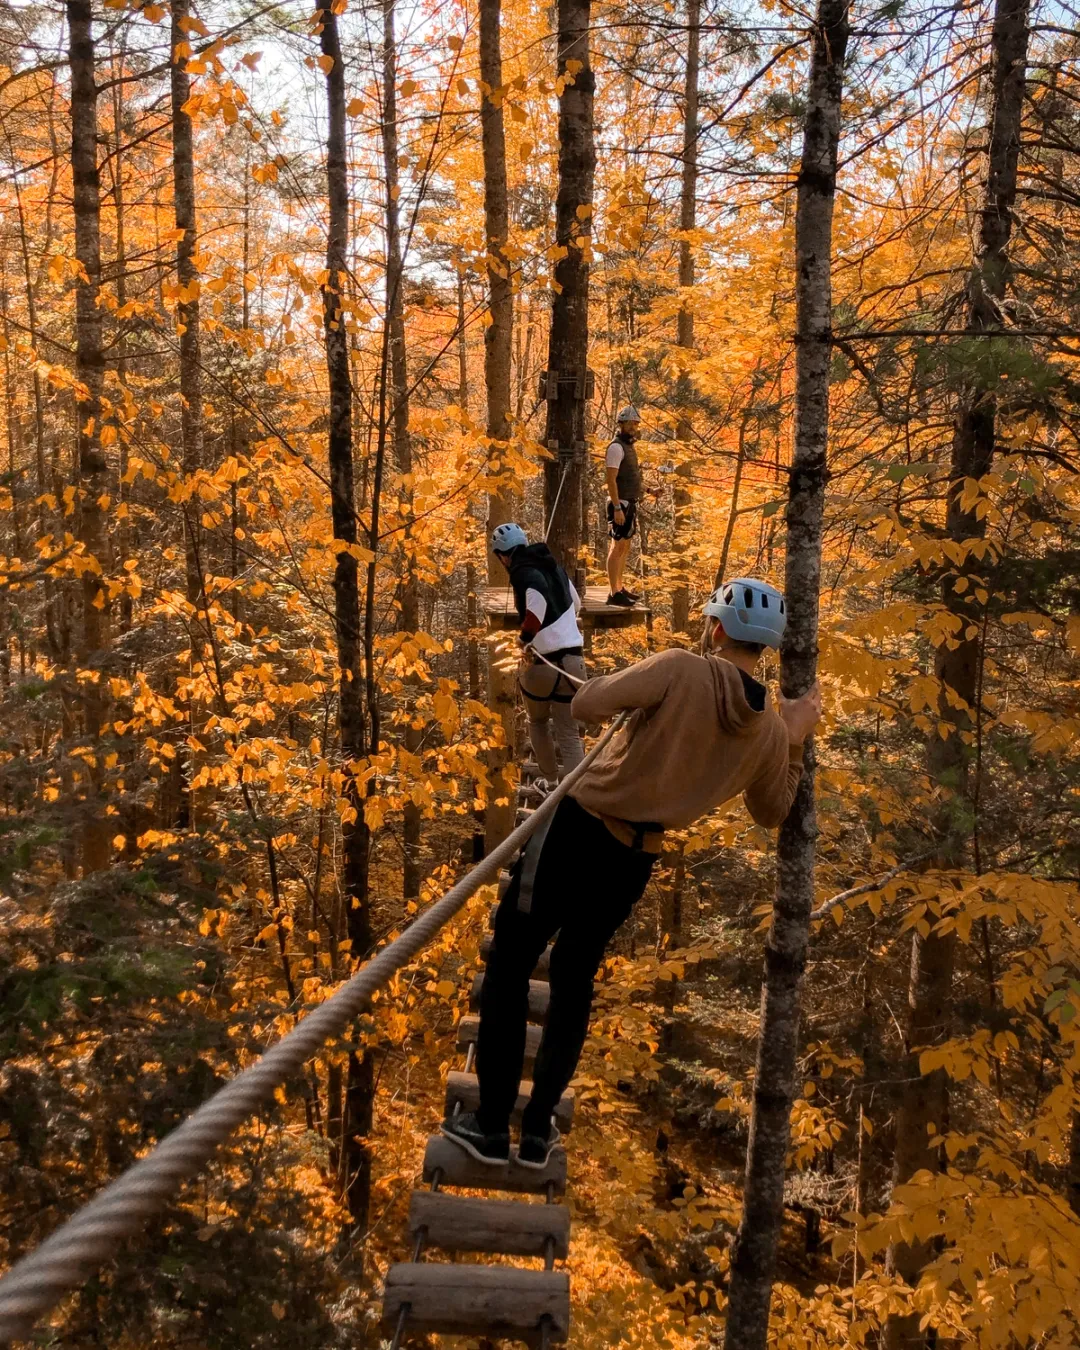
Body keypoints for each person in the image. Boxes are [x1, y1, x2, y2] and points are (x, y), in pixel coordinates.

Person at [442, 576, 821, 1167]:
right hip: (632, 863)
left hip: (575, 830)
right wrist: (793, 739)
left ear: (716, 628)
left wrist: (648, 695)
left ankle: (491, 1126)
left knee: (513, 961)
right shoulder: (769, 732)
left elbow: (586, 702)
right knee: (575, 977)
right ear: (764, 648)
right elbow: (772, 812)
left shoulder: (679, 668)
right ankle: (537, 1132)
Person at [491, 522, 586, 789]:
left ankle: (549, 779)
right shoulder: (552, 565)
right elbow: (576, 603)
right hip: (573, 663)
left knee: (539, 721)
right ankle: (576, 793)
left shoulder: (522, 572)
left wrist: (523, 638)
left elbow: (538, 606)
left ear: (503, 555)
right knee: (569, 732)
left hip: (541, 665)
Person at [604, 405, 644, 608]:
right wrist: (618, 507)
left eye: (636, 423)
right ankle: (613, 592)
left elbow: (630, 477)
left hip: (630, 502)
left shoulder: (629, 447)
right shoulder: (616, 447)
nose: (633, 426)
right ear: (621, 424)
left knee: (625, 546)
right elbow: (611, 480)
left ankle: (619, 588)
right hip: (620, 504)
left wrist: (649, 491)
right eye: (630, 423)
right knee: (617, 546)